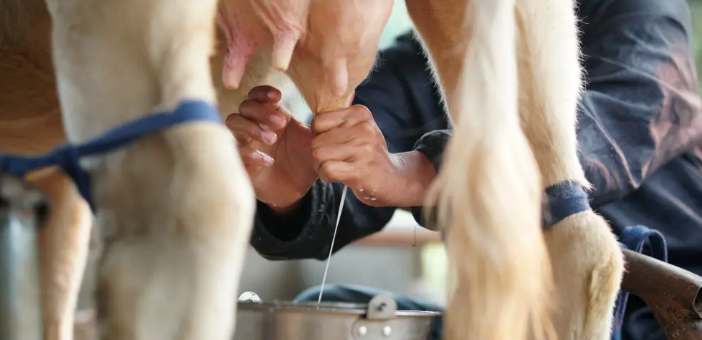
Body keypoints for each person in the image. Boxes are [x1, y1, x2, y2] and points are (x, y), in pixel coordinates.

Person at [227, 0, 702, 339]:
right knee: (319, 316)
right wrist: (293, 185)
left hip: (668, 312)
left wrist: (421, 174)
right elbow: (351, 181)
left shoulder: (638, 11)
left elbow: (638, 113)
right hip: (511, 321)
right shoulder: (423, 58)